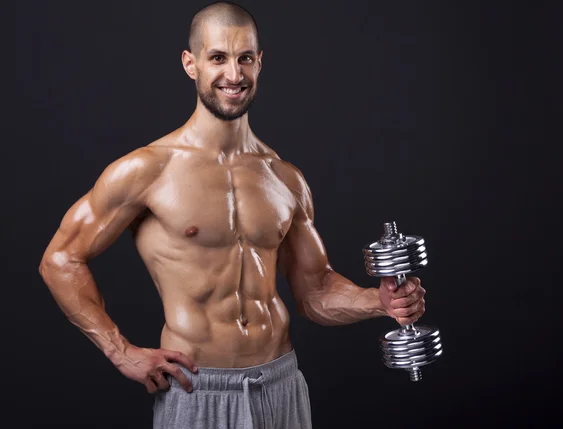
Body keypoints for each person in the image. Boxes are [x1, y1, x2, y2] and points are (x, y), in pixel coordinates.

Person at [38, 2, 426, 428]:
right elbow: (61, 258)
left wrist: (379, 301)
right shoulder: (147, 170)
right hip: (197, 389)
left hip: (280, 385)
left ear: (260, 63)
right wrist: (120, 350)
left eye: (245, 58)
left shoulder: (285, 178)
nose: (234, 75)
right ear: (191, 64)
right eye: (218, 58)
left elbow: (314, 290)